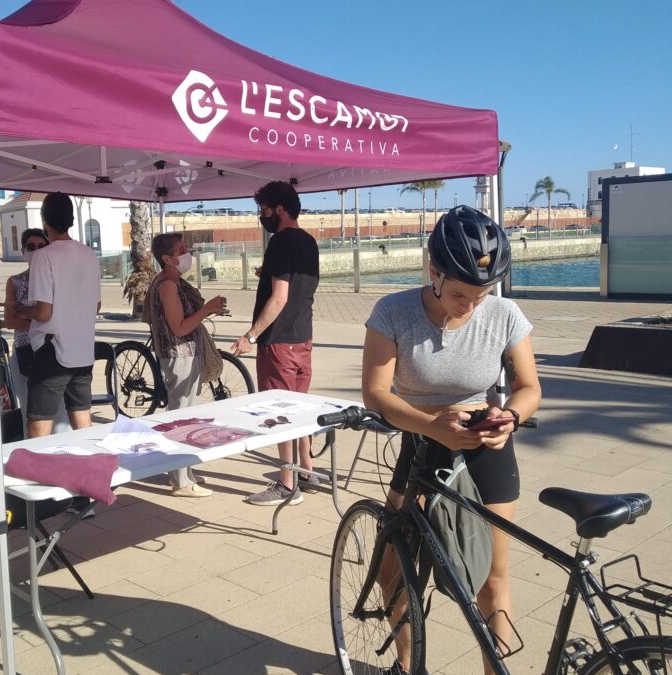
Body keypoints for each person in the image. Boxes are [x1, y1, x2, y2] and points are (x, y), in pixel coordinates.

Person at [361, 205, 542, 675]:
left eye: (481, 295)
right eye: (461, 294)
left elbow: (529, 387)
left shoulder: (505, 314)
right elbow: (376, 393)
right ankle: (406, 665)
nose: (471, 306)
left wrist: (510, 418)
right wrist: (430, 424)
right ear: (433, 270)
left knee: (491, 579)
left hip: (487, 449)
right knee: (393, 571)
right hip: (421, 445)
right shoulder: (393, 312)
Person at [231, 181, 320, 506]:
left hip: (278, 342)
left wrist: (251, 335)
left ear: (279, 210)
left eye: (264, 210)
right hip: (303, 338)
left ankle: (286, 483)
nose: (261, 216)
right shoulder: (309, 242)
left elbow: (280, 297)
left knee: (280, 413)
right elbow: (297, 287)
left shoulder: (281, 242)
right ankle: (307, 472)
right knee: (301, 409)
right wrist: (266, 274)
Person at [13, 192, 102, 438]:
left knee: (39, 423)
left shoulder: (44, 256)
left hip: (53, 349)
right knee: (82, 418)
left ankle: (40, 475)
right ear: (72, 219)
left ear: (44, 221)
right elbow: (95, 306)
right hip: (83, 349)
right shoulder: (88, 253)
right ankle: (88, 468)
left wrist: (21, 309)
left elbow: (43, 311)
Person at [146, 232, 228, 497]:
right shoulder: (167, 286)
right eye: (182, 250)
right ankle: (180, 480)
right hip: (178, 354)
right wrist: (206, 310)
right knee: (181, 415)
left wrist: (208, 309)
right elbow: (179, 327)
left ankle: (184, 470)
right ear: (168, 258)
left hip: (183, 353)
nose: (187, 254)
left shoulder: (173, 282)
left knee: (185, 413)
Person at [3, 228, 69, 432]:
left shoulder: (57, 280)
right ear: (23, 250)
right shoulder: (15, 282)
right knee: (30, 412)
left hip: (57, 351)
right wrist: (42, 319)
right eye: (30, 247)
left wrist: (26, 313)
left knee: (61, 413)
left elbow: (62, 317)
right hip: (26, 352)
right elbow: (10, 321)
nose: (36, 250)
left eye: (41, 246)